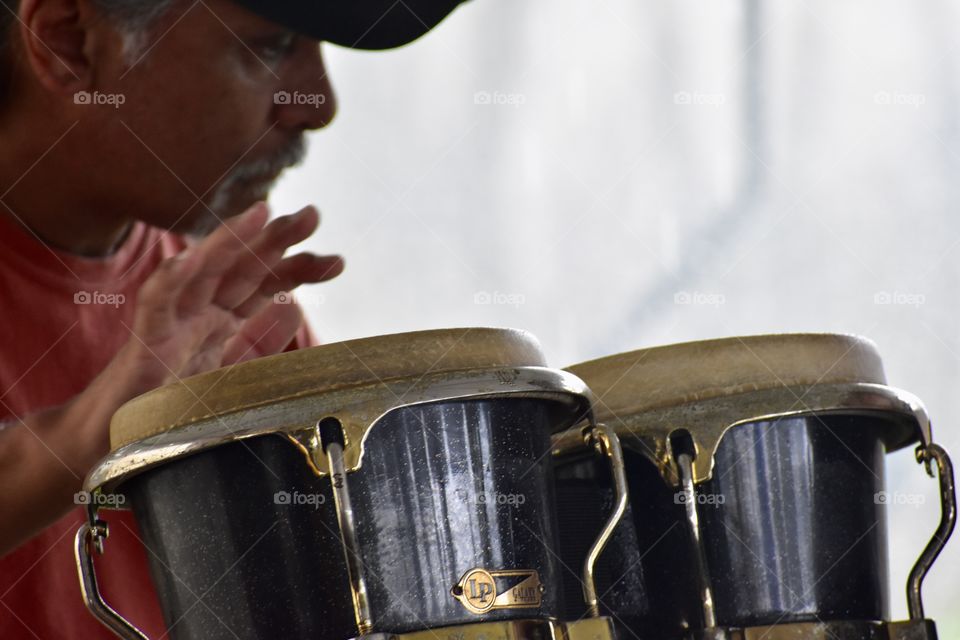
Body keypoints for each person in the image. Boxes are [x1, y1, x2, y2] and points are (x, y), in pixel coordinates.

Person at [0, 0, 466, 636]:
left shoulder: (225, 298)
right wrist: (105, 423)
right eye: (271, 48)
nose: (319, 104)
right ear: (68, 42)